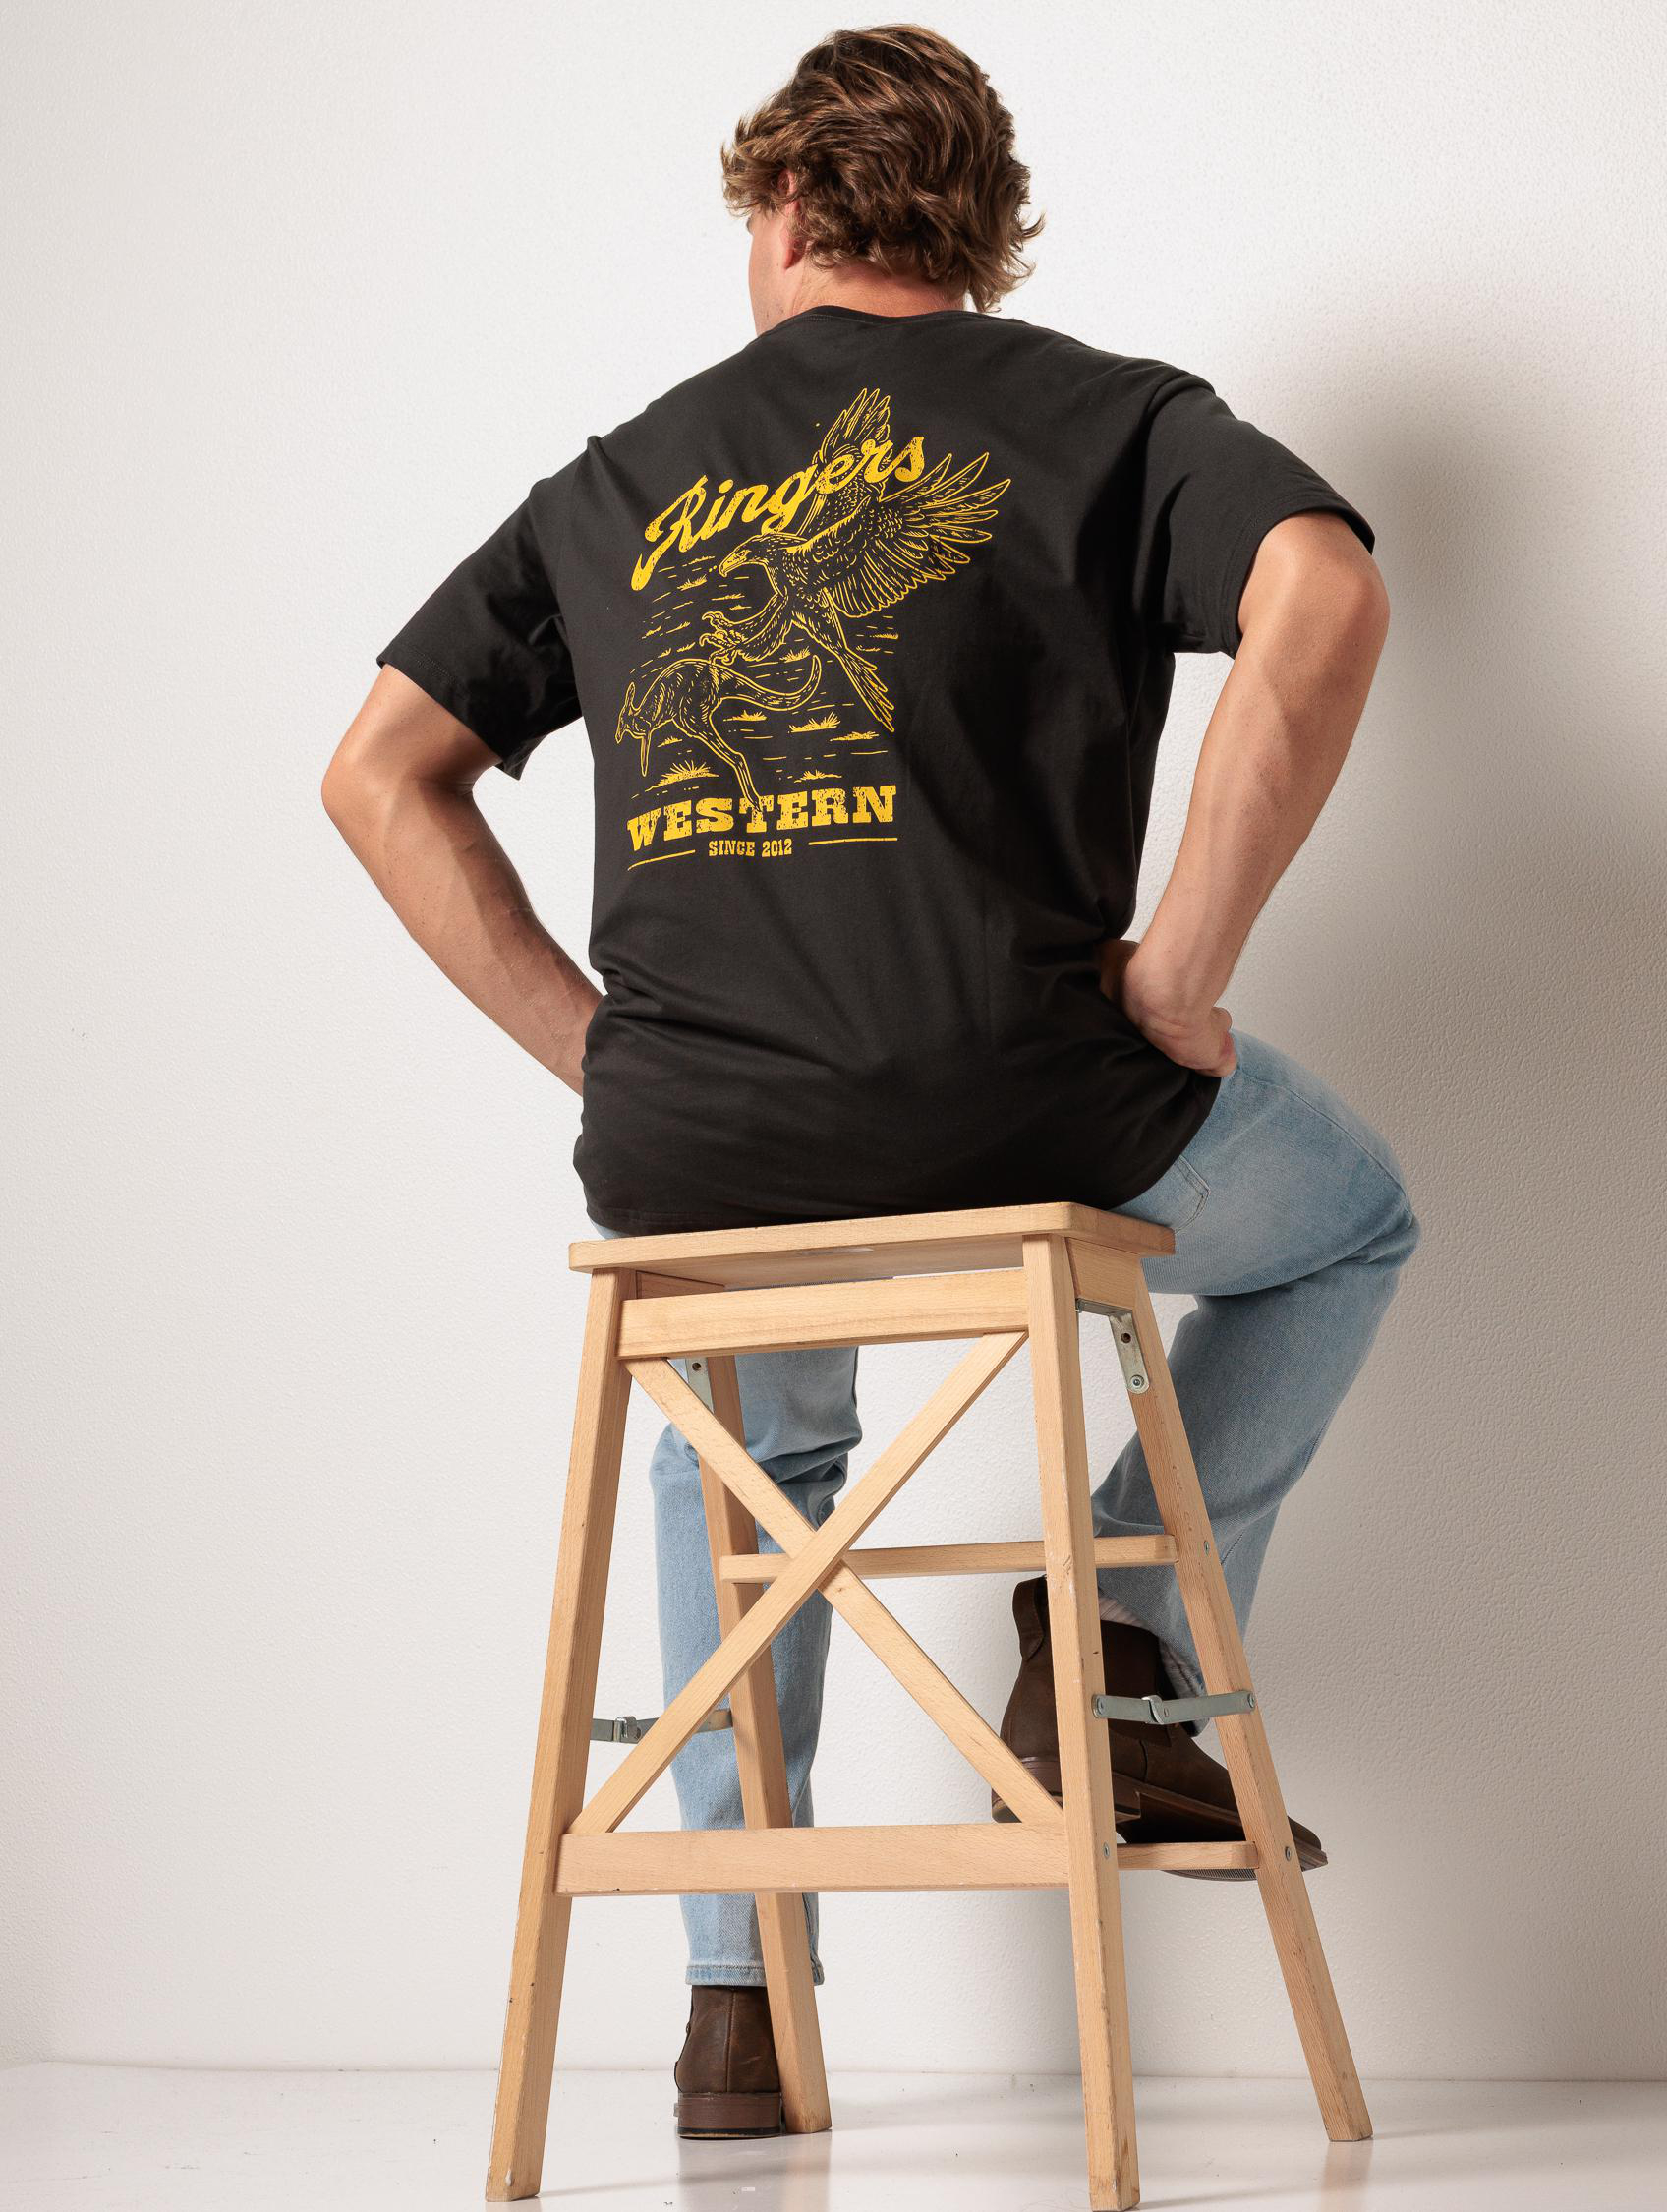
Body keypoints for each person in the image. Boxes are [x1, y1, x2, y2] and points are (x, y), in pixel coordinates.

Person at [322, 24, 1419, 2141]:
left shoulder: (623, 478)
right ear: (985, 232)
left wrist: (601, 1052)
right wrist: (1184, 971)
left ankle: (735, 2006)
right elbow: (1326, 586)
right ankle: (1113, 1649)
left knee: (742, 1447)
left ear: (783, 209)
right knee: (1347, 1224)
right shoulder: (1109, 419)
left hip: (704, 1149)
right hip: (1030, 1104)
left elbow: (378, 770)